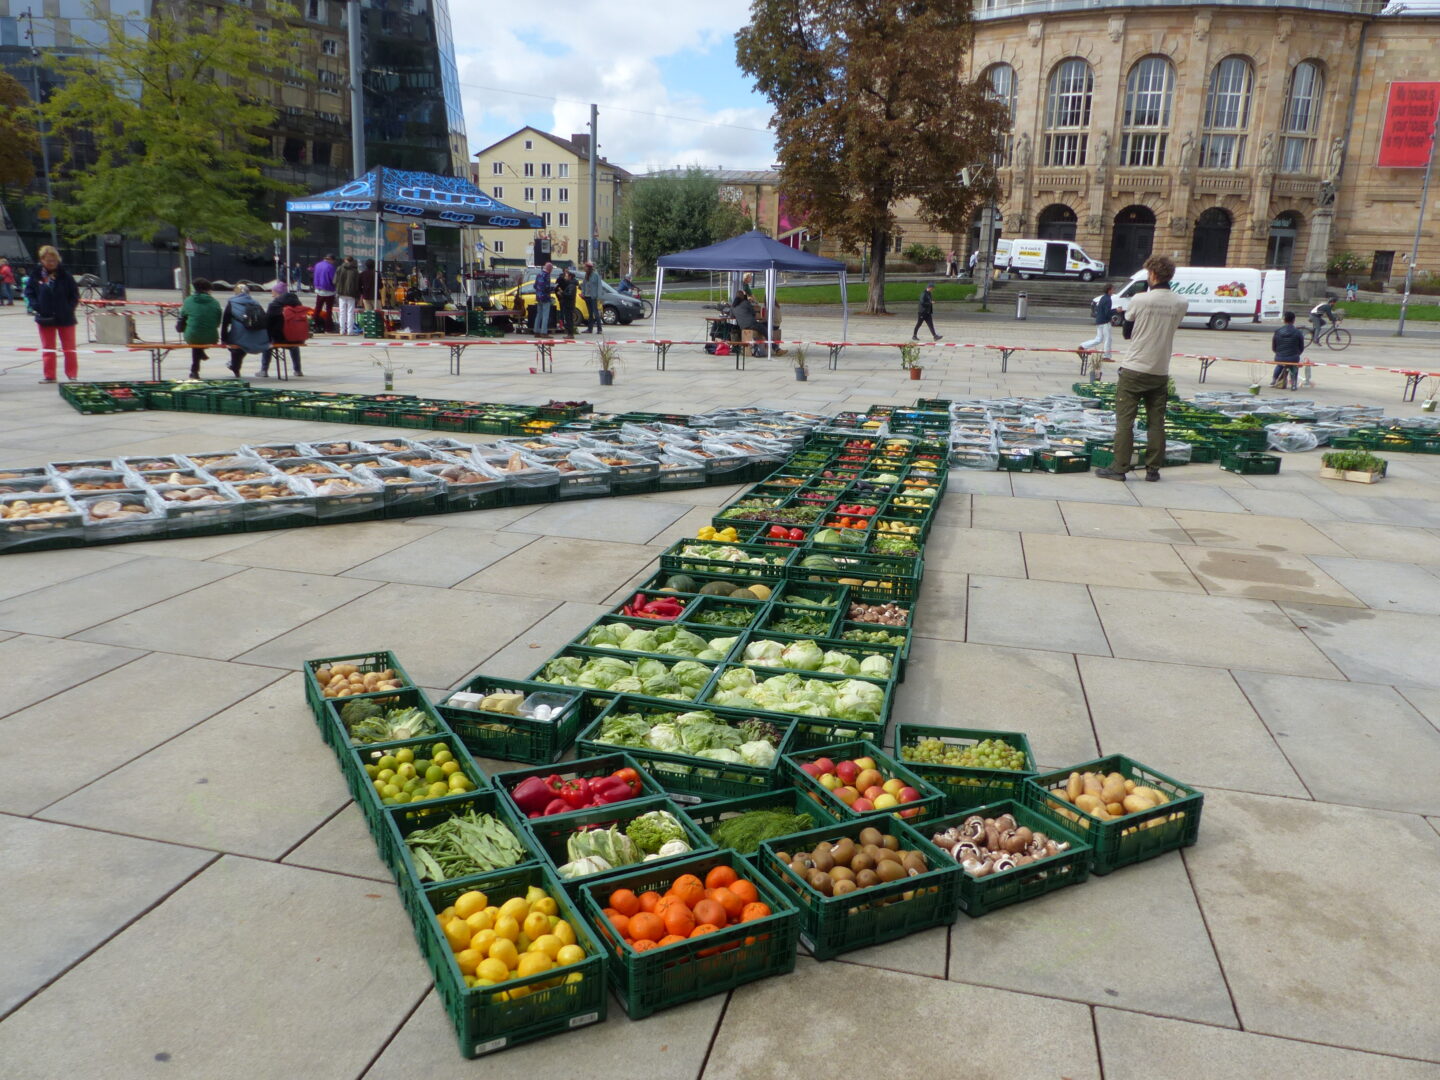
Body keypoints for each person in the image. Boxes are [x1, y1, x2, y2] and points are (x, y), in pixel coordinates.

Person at [1096, 254, 1188, 483]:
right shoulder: (1180, 303)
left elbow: (1128, 333)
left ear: (1153, 275)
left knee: (1125, 421)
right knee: (1156, 422)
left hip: (1134, 368)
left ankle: (1120, 468)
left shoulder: (1140, 299)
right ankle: (1153, 469)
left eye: (1148, 274)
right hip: (1160, 370)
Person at [23, 245, 80, 382]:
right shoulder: (36, 275)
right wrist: (37, 306)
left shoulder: (65, 275)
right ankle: (49, 375)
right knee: (48, 348)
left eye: (54, 260)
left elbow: (74, 295)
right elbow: (29, 292)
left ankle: (72, 375)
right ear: (42, 260)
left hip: (65, 317)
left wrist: (69, 308)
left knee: (69, 348)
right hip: (45, 317)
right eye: (49, 261)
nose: (52, 263)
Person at [221, 283, 270, 377]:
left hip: (240, 338)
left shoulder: (232, 303)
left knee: (235, 342)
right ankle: (234, 365)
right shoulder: (256, 303)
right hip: (260, 339)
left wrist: (224, 339)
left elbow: (225, 323)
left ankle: (235, 367)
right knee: (243, 340)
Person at [178, 277, 222, 379]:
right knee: (200, 335)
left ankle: (194, 371)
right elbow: (217, 322)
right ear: (208, 289)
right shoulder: (215, 302)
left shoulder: (188, 300)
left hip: (192, 336)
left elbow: (182, 316)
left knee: (195, 337)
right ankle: (199, 357)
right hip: (211, 337)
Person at [262, 281, 306, 377]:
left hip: (279, 338)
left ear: (278, 294)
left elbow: (267, 324)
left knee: (267, 342)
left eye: (273, 294)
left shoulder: (274, 305)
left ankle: (264, 370)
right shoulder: (297, 303)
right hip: (297, 339)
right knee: (294, 346)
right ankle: (298, 370)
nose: (272, 296)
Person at [1081, 283, 1115, 375]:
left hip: (1099, 321)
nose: (1113, 291)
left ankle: (1083, 345)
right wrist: (1116, 311)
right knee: (1108, 339)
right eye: (1112, 289)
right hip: (1104, 322)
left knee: (1099, 339)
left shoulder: (1103, 298)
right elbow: (1107, 312)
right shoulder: (1108, 299)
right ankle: (1106, 356)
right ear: (1109, 290)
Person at [1270, 311, 1306, 391]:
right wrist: (1296, 354)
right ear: (1294, 320)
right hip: (1293, 357)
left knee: (1279, 365)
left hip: (1279, 357)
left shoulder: (1278, 331)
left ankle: (1273, 380)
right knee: (1294, 366)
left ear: (1284, 320)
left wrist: (1279, 353)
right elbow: (1301, 347)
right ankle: (1293, 384)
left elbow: (1274, 347)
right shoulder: (1298, 332)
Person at [334, 255, 360, 334]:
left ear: (345, 260)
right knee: (350, 312)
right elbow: (357, 283)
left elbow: (334, 281)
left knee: (342, 312)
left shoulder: (339, 269)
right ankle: (350, 331)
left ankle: (341, 330)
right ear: (352, 261)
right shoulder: (355, 271)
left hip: (341, 293)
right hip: (351, 293)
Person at [311, 253, 337, 331]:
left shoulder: (318, 265)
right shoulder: (330, 267)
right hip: (329, 290)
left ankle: (313, 325)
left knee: (317, 309)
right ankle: (328, 328)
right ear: (331, 260)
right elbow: (333, 279)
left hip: (319, 289)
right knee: (329, 310)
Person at [731, 289, 759, 355]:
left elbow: (731, 315)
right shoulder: (745, 303)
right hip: (751, 324)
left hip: (742, 326)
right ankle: (776, 348)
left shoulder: (733, 306)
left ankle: (737, 348)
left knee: (735, 329)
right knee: (764, 329)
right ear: (743, 296)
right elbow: (753, 313)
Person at [555, 266, 578, 336]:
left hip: (569, 304)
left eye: (567, 276)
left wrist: (562, 292)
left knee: (569, 319)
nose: (566, 277)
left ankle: (570, 334)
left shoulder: (571, 285)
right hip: (568, 304)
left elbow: (569, 295)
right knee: (567, 319)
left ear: (570, 277)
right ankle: (569, 333)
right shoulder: (569, 284)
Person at [580, 261, 602, 333]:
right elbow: (584, 285)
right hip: (587, 296)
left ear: (589, 268)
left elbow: (599, 286)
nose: (584, 268)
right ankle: (590, 329)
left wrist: (599, 296)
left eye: (585, 267)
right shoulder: (586, 275)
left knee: (595, 313)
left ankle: (599, 329)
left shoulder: (596, 275)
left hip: (593, 297)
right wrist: (583, 293)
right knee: (590, 313)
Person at [533, 261, 554, 334]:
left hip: (538, 297)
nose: (552, 270)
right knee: (545, 315)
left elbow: (535, 286)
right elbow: (547, 287)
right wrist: (553, 288)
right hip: (545, 298)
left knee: (539, 314)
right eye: (552, 269)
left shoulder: (539, 274)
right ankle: (544, 332)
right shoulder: (547, 275)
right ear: (549, 269)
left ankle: (536, 330)